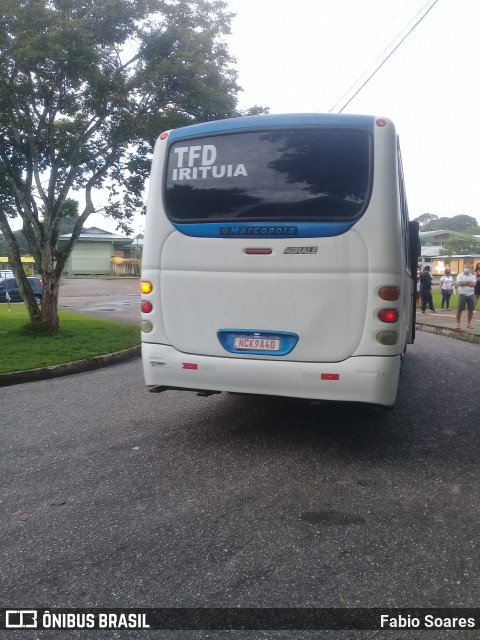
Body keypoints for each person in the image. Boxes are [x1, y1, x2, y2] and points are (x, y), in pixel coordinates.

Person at [455, 264, 476, 329]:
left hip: (471, 294)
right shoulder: (459, 275)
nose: (467, 268)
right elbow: (459, 283)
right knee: (459, 309)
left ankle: (469, 324)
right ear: (463, 268)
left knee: (471, 309)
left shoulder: (473, 276)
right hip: (462, 294)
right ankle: (458, 323)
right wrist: (469, 282)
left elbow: (473, 284)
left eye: (468, 267)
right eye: (466, 267)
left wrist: (464, 283)